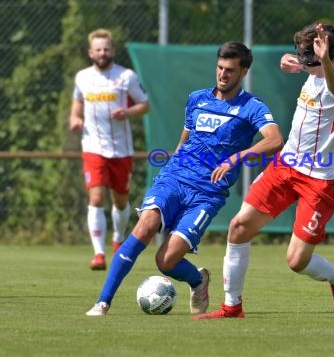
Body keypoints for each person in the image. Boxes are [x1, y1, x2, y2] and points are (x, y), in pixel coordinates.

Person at [85, 41, 284, 316]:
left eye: (230, 70)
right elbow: (185, 140)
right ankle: (102, 302)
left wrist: (237, 157)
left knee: (165, 261)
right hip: (174, 179)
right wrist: (171, 168)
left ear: (244, 71)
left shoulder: (251, 106)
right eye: (220, 67)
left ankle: (197, 280)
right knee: (145, 226)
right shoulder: (197, 99)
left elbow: (275, 139)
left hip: (206, 194)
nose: (223, 74)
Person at [194, 22, 334, 320]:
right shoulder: (312, 67)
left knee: (297, 261)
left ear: (324, 54)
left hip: (321, 177)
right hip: (287, 166)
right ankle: (232, 307)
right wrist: (293, 61)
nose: (300, 57)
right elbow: (295, 62)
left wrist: (321, 62)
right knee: (239, 227)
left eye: (306, 54)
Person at [69, 28, 150, 271]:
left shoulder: (126, 77)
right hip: (92, 146)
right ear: (90, 52)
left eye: (106, 49)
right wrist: (74, 119)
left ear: (112, 51)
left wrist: (127, 111)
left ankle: (118, 238)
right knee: (95, 198)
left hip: (121, 150)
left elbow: (145, 105)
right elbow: (76, 105)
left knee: (121, 202)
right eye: (98, 49)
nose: (102, 53)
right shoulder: (82, 77)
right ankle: (99, 254)